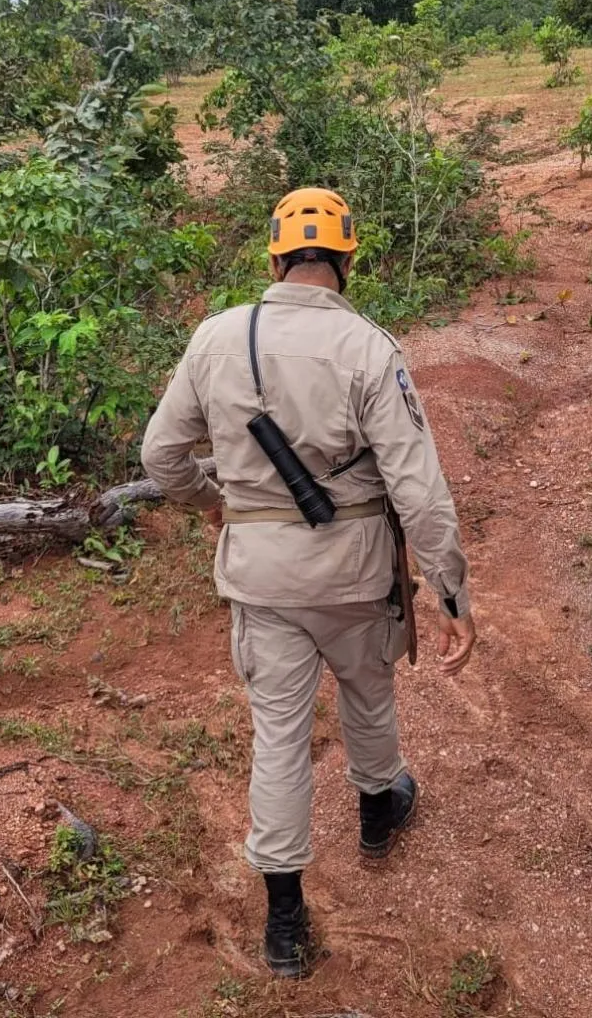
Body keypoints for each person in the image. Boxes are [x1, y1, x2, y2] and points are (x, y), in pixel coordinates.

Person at [141, 187, 475, 979]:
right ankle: (374, 814)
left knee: (279, 738)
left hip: (261, 578)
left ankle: (284, 925)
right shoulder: (369, 348)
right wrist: (453, 593)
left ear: (273, 257)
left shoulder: (216, 337)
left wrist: (217, 504)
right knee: (367, 694)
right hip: (355, 572)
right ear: (348, 259)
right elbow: (419, 490)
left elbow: (161, 457)